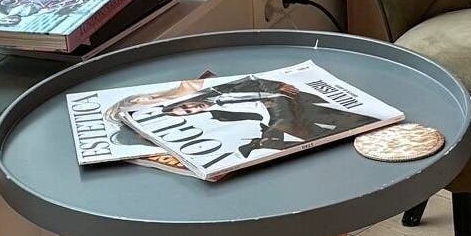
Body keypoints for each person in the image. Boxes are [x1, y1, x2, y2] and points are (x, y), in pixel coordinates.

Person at [160, 75, 379, 157]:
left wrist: (279, 84)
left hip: (281, 100)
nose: (193, 108)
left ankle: (374, 127)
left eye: (187, 105)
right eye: (189, 112)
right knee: (291, 129)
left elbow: (255, 81)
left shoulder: (222, 90)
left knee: (292, 124)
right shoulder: (221, 116)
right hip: (277, 116)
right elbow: (256, 123)